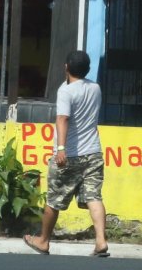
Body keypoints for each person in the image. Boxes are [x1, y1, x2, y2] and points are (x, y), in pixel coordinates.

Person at [23, 50, 109, 257]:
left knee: (54, 199)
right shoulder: (95, 88)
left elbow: (63, 119)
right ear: (88, 69)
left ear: (66, 68)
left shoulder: (66, 92)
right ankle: (101, 241)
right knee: (94, 196)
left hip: (69, 154)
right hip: (94, 152)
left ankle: (43, 241)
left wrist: (61, 148)